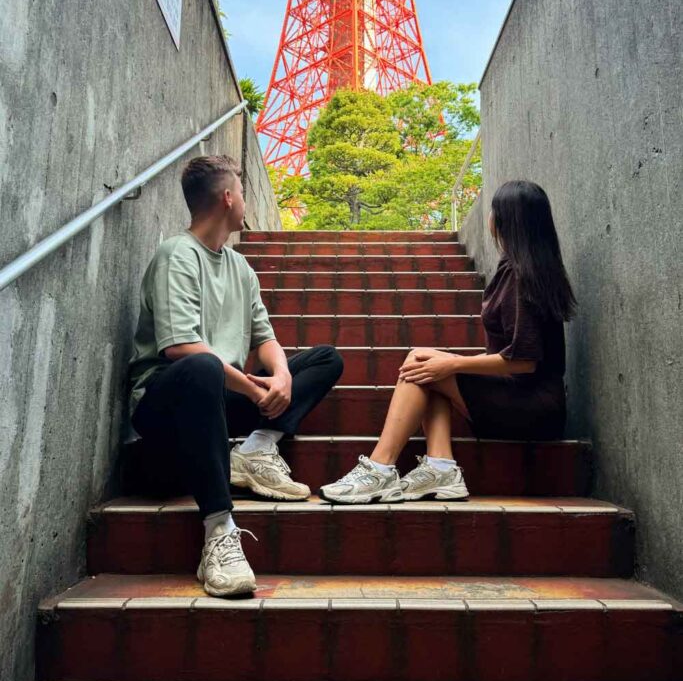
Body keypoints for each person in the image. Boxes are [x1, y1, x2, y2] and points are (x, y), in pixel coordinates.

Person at [127, 154, 344, 597]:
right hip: (168, 403)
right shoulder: (177, 254)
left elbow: (265, 337)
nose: (246, 203)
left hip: (219, 398)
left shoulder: (240, 266)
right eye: (242, 194)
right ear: (228, 198)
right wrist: (251, 386)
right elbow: (180, 347)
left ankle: (255, 450)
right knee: (204, 365)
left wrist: (280, 376)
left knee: (326, 359)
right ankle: (219, 530)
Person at [320, 180, 576, 505]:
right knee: (429, 365)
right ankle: (440, 466)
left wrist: (452, 362)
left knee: (424, 365)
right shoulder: (529, 270)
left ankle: (382, 468)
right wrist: (446, 362)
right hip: (535, 402)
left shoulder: (520, 276)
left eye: (493, 210)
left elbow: (524, 360)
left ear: (504, 220)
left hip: (530, 407)